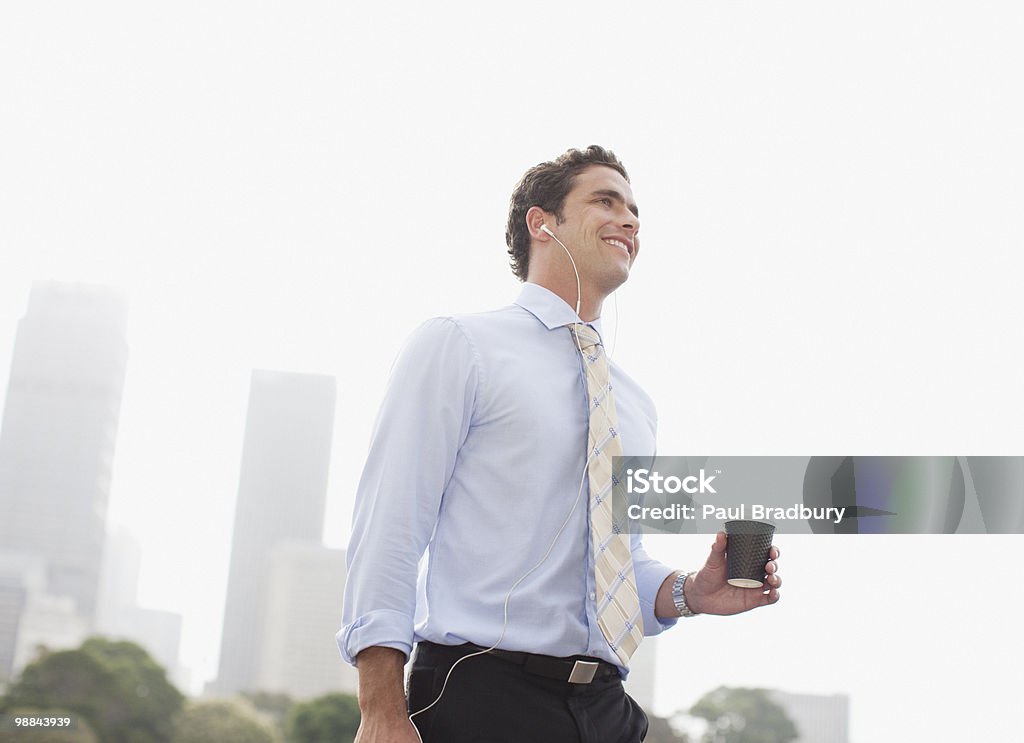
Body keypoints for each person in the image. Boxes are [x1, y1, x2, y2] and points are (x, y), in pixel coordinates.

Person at [338, 146, 783, 743]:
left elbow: (618, 566)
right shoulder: (460, 345)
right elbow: (390, 526)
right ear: (541, 223)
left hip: (605, 710)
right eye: (606, 201)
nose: (629, 220)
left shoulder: (634, 404)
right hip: (480, 695)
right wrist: (380, 708)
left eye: (634, 211)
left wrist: (691, 592)